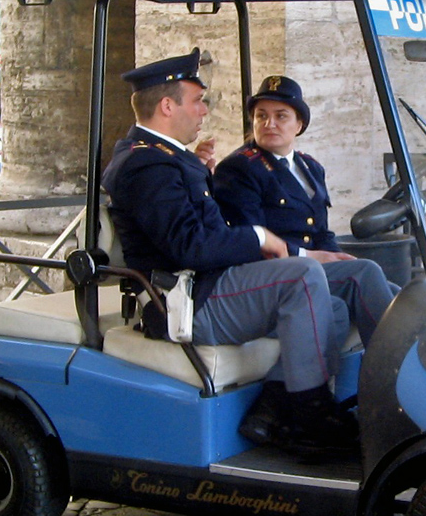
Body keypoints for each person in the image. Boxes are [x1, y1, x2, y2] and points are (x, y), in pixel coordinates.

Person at [101, 49, 358, 457]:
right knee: (303, 276)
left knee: (335, 308)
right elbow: (190, 245)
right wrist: (259, 237)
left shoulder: (167, 159)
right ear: (168, 106)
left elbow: (200, 223)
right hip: (186, 301)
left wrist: (199, 168)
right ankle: (310, 417)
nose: (204, 111)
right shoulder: (145, 166)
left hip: (211, 285)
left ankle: (274, 409)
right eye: (197, 100)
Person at [214, 75, 396, 347]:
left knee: (397, 293)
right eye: (261, 115)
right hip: (276, 272)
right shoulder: (241, 168)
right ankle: (391, 371)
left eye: (281, 116)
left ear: (299, 125)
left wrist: (336, 256)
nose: (269, 123)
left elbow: (320, 231)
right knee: (366, 274)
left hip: (309, 267)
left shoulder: (310, 168)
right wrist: (310, 255)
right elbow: (250, 238)